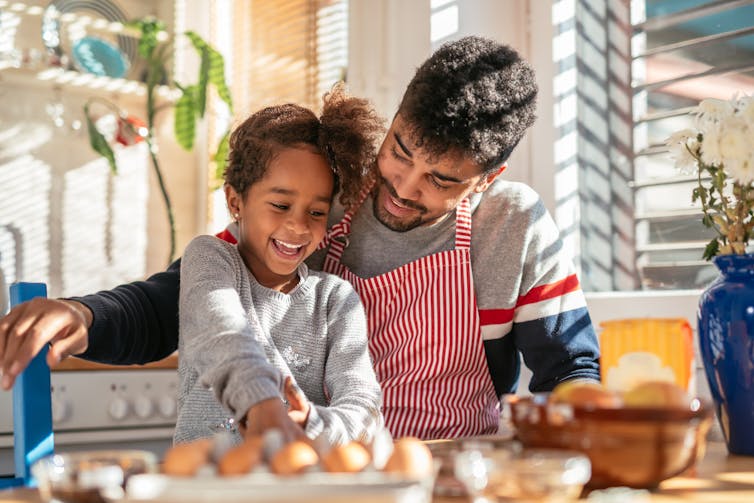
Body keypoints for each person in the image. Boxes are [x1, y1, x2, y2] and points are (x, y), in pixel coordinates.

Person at [0, 36, 600, 440]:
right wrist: (86, 315)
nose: (402, 187)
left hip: (452, 476)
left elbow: (570, 367)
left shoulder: (512, 225)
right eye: (400, 151)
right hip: (324, 477)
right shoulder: (325, 198)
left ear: (486, 178)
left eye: (440, 180)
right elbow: (190, 298)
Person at [174, 85, 384, 445]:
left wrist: (313, 424)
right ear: (235, 201)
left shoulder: (334, 299)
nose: (299, 227)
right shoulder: (210, 259)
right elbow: (222, 332)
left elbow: (363, 405)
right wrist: (262, 404)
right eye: (281, 206)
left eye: (316, 212)